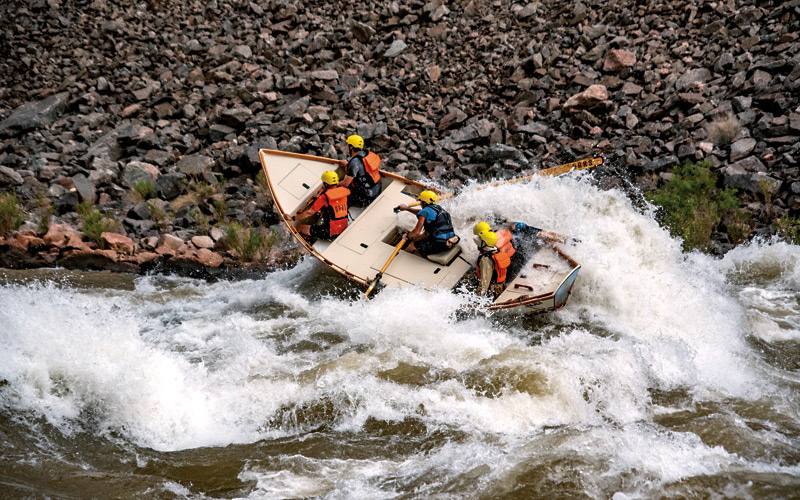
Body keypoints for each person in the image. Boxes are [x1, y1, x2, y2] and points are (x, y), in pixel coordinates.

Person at [289, 171, 351, 243]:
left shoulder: (324, 197)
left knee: (299, 227)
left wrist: (293, 218)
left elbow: (309, 213)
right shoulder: (342, 192)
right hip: (343, 228)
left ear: (325, 184)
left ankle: (307, 243)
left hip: (331, 233)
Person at [394, 190, 459, 257]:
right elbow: (421, 212)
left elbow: (417, 231)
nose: (420, 203)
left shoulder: (425, 212)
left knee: (412, 245)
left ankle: (401, 258)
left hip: (440, 244)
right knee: (421, 236)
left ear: (424, 202)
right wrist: (406, 208)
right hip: (450, 241)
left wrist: (407, 236)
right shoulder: (438, 209)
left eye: (421, 202)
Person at [337, 134, 382, 207]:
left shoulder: (354, 162)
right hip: (377, 190)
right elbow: (362, 169)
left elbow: (345, 183)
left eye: (347, 145)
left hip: (366, 197)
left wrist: (335, 184)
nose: (346, 147)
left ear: (351, 147)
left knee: (339, 190)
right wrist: (347, 165)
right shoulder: (367, 154)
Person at [475, 229, 511, 299]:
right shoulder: (496, 250)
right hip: (501, 285)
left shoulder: (485, 260)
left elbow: (484, 284)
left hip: (493, 290)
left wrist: (477, 299)